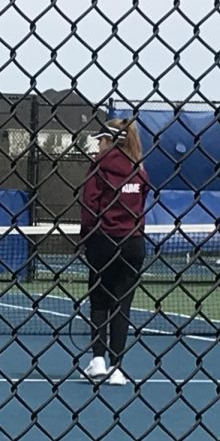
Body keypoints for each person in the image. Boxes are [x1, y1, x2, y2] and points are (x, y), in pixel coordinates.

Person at [79, 119, 150, 385]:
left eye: (101, 139)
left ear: (110, 140)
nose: (98, 143)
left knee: (99, 300)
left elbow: (89, 206)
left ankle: (99, 360)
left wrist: (86, 237)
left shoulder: (99, 168)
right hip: (133, 244)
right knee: (122, 305)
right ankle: (117, 368)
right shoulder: (139, 170)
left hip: (103, 242)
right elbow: (140, 207)